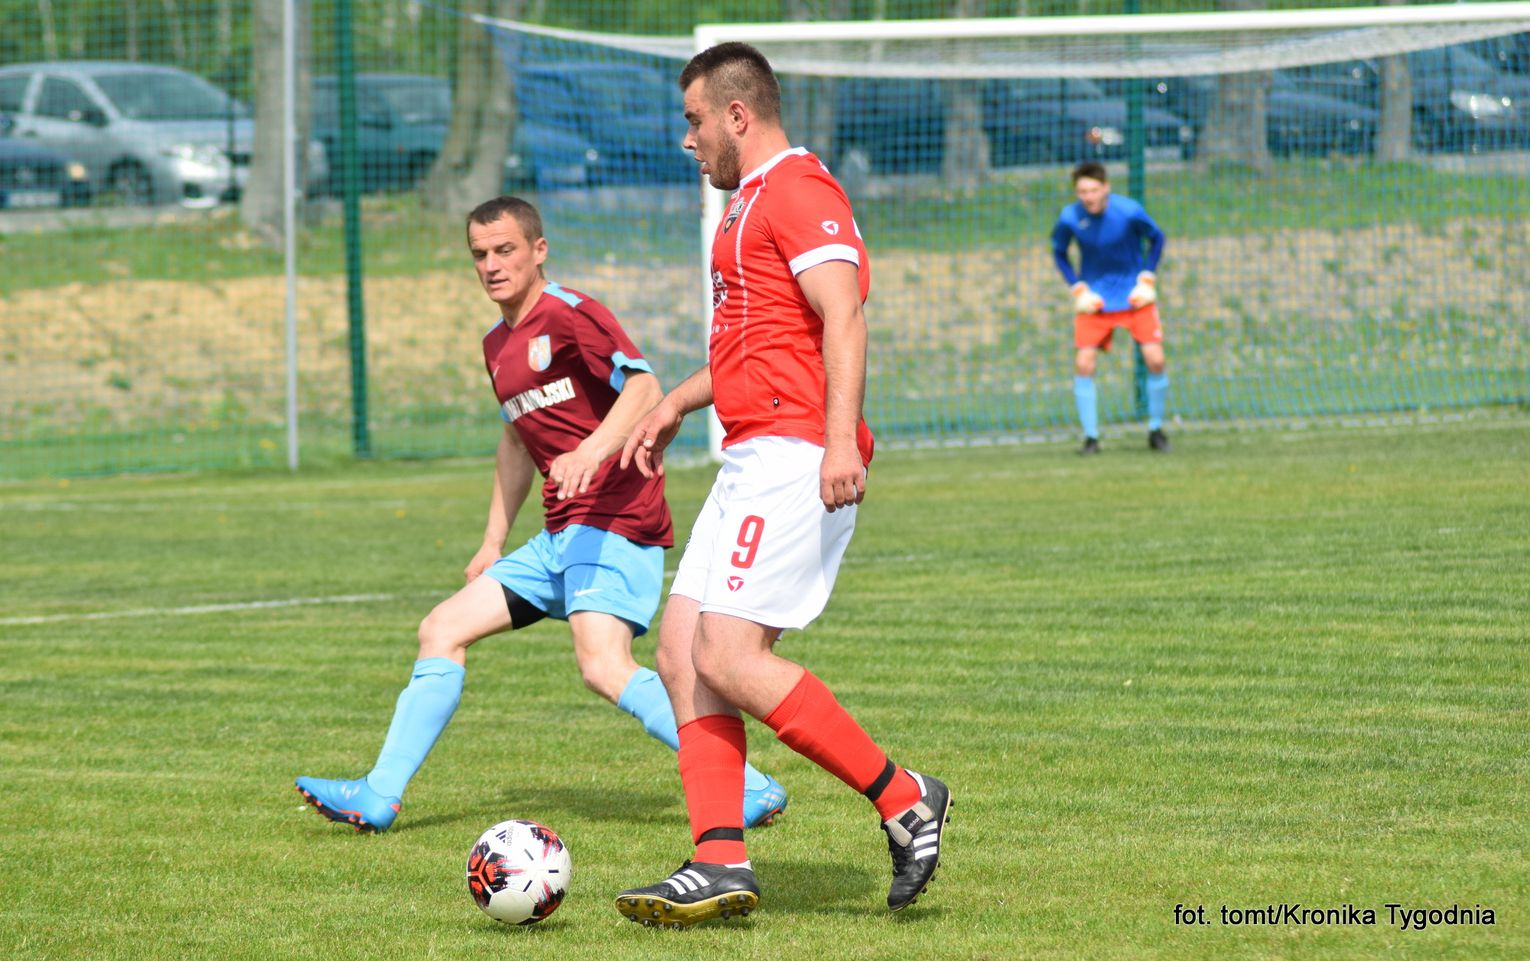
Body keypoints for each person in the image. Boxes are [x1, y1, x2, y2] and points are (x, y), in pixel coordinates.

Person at [294, 196, 787, 834]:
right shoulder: (496, 345)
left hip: (614, 523)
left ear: (538, 250)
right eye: (480, 254)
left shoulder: (571, 314)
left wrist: (591, 451)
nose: (492, 265)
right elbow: (515, 440)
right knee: (441, 628)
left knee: (603, 665)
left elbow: (643, 387)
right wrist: (492, 540)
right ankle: (378, 795)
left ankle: (748, 786)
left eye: (505, 250)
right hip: (559, 537)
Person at [611, 44, 950, 929]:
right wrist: (676, 401)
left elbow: (845, 315)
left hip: (798, 454)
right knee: (680, 651)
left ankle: (906, 797)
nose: (687, 140)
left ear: (737, 114)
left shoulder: (798, 188)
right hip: (750, 455)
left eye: (694, 121)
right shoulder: (745, 206)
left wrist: (839, 441)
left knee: (728, 655)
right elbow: (755, 346)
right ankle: (719, 859)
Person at [1050, 161, 1170, 455]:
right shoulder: (1069, 217)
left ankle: (1156, 429)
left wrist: (1147, 278)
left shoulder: (1128, 211)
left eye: (1093, 190)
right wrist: (1078, 288)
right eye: (1082, 191)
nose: (1088, 197)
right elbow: (1059, 253)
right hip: (1096, 300)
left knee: (1155, 360)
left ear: (1106, 188)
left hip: (1134, 297)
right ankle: (1091, 438)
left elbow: (1157, 238)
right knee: (1084, 364)